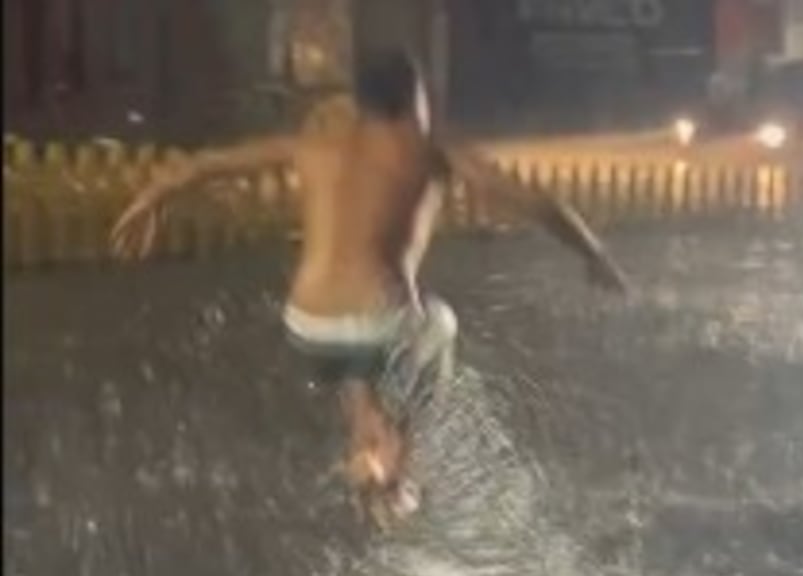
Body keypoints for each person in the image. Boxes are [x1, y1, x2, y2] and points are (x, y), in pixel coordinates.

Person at [110, 49, 630, 526]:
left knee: (357, 360)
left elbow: (206, 165)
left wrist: (149, 201)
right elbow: (539, 203)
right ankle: (396, 473)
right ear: (416, 98)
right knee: (439, 326)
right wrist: (596, 256)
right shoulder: (431, 150)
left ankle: (365, 431)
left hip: (307, 327)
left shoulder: (314, 145)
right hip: (380, 323)